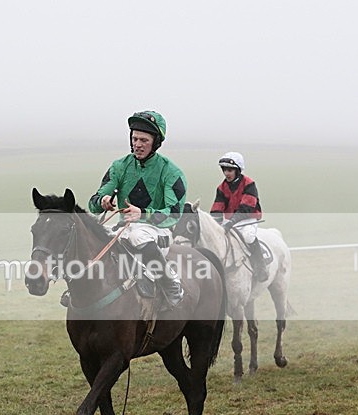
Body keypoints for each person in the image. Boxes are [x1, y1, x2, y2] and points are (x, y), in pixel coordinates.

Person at [88, 110, 187, 307]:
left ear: (155, 142)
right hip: (123, 229)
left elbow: (174, 212)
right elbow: (94, 202)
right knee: (94, 237)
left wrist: (144, 214)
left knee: (138, 235)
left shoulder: (171, 172)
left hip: (157, 231)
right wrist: (103, 201)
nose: (138, 144)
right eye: (134, 139)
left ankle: (171, 282)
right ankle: (83, 290)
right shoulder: (119, 166)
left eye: (144, 140)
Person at [210, 151, 268, 282]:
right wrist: (216, 224)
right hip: (229, 220)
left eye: (230, 170)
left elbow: (246, 208)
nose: (226, 173)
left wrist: (230, 223)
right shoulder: (221, 188)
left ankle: (260, 265)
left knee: (248, 237)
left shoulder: (249, 184)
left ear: (238, 170)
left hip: (247, 218)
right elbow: (217, 209)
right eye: (224, 170)